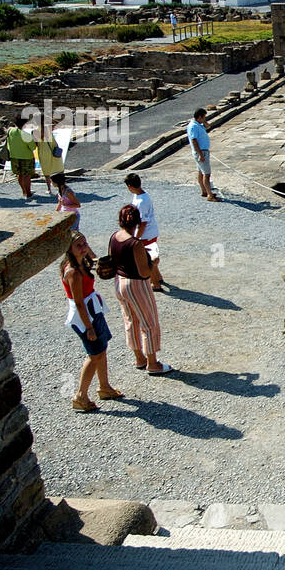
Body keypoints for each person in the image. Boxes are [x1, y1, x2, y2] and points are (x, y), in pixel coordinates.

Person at [61, 230, 123, 412]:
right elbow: (79, 302)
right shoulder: (72, 272)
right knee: (94, 355)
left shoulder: (81, 262)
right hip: (84, 315)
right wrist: (89, 327)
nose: (83, 248)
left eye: (84, 244)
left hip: (93, 309)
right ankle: (80, 396)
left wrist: (88, 252)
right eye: (78, 246)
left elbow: (97, 261)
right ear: (69, 249)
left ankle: (104, 387)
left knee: (102, 349)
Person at [109, 204, 174, 375]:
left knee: (130, 320)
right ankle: (152, 363)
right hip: (136, 285)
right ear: (137, 222)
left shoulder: (114, 237)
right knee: (148, 323)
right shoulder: (135, 243)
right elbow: (144, 272)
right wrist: (153, 262)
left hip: (119, 282)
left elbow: (112, 259)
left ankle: (139, 358)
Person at [125, 172, 163, 290]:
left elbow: (143, 222)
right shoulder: (141, 195)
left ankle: (155, 283)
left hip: (146, 234)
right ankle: (158, 277)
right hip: (149, 232)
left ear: (130, 186)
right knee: (151, 255)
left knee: (146, 259)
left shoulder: (141, 201)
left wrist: (136, 238)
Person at [187, 108, 220, 201]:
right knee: (207, 173)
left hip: (202, 151)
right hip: (201, 152)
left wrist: (204, 121)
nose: (205, 119)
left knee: (201, 172)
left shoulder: (198, 124)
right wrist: (200, 154)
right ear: (199, 117)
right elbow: (194, 141)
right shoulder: (193, 126)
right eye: (204, 117)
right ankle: (210, 195)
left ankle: (204, 191)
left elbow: (208, 126)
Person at [5, 121, 37, 199]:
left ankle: (24, 191)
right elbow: (33, 147)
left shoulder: (11, 131)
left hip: (14, 156)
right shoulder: (26, 135)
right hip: (26, 157)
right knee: (27, 176)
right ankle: (28, 193)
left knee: (19, 175)